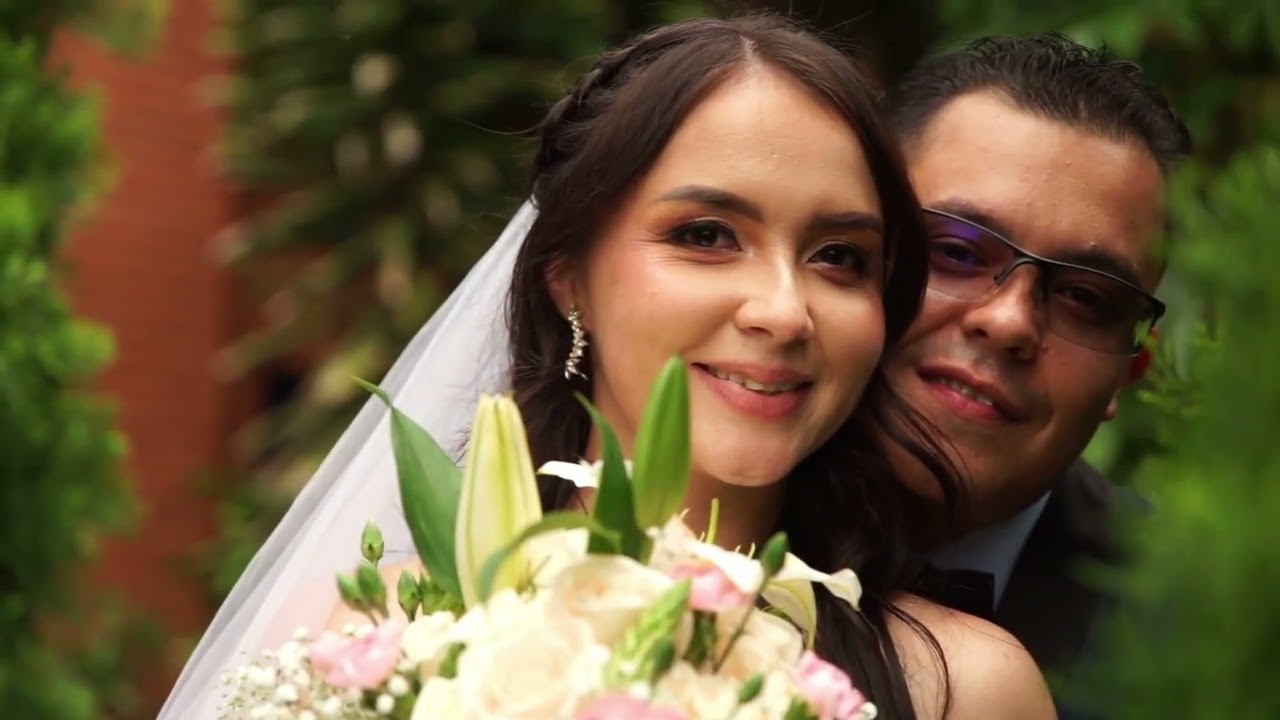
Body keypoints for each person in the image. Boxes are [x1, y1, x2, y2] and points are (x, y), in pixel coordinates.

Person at [161, 14, 1055, 720]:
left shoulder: (962, 690)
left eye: (839, 257)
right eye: (707, 236)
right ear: (567, 278)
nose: (785, 311)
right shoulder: (383, 638)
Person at [880, 32, 1191, 713]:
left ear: (1130, 370)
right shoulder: (683, 504)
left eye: (1085, 297)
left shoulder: (1200, 642)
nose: (1009, 322)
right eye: (957, 251)